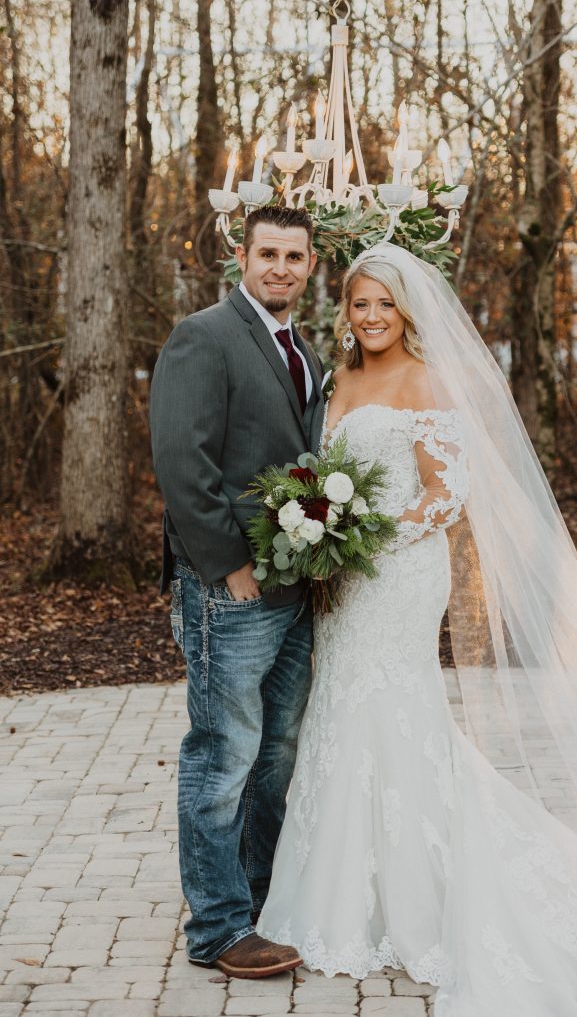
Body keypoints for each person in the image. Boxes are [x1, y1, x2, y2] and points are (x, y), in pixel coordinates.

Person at [258, 243, 577, 1015]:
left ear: (407, 312)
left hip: (396, 576)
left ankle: (424, 893)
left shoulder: (425, 380)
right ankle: (341, 898)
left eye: (384, 306)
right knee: (340, 714)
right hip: (341, 587)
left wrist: (362, 533)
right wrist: (321, 540)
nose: (370, 318)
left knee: (394, 712)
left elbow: (448, 496)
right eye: (359, 304)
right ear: (346, 311)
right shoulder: (339, 379)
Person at [149, 206, 325, 978]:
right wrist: (229, 567)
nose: (281, 267)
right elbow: (182, 464)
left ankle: (260, 900)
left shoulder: (304, 351)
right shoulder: (204, 336)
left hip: (297, 588)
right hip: (233, 588)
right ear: (241, 257)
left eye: (295, 256)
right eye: (268, 254)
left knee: (277, 754)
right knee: (223, 755)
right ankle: (218, 929)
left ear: (312, 265)